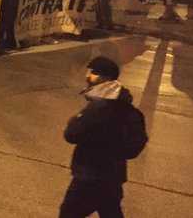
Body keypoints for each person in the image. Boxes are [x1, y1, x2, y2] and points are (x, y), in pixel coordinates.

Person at [59, 57, 148, 218]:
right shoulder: (127, 106)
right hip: (113, 176)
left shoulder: (98, 108)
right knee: (110, 212)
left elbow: (71, 134)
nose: (88, 76)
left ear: (104, 77)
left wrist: (75, 120)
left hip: (89, 177)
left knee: (68, 214)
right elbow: (135, 146)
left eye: (92, 72)